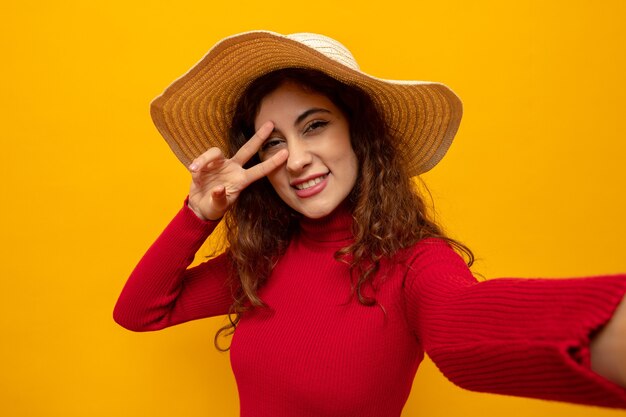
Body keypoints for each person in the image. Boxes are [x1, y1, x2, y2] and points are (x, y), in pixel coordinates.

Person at [114, 31, 626, 416]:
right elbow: (139, 312)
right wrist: (198, 215)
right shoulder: (260, 261)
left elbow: (465, 326)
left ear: (358, 134)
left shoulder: (416, 264)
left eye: (315, 125)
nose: (294, 160)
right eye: (273, 142)